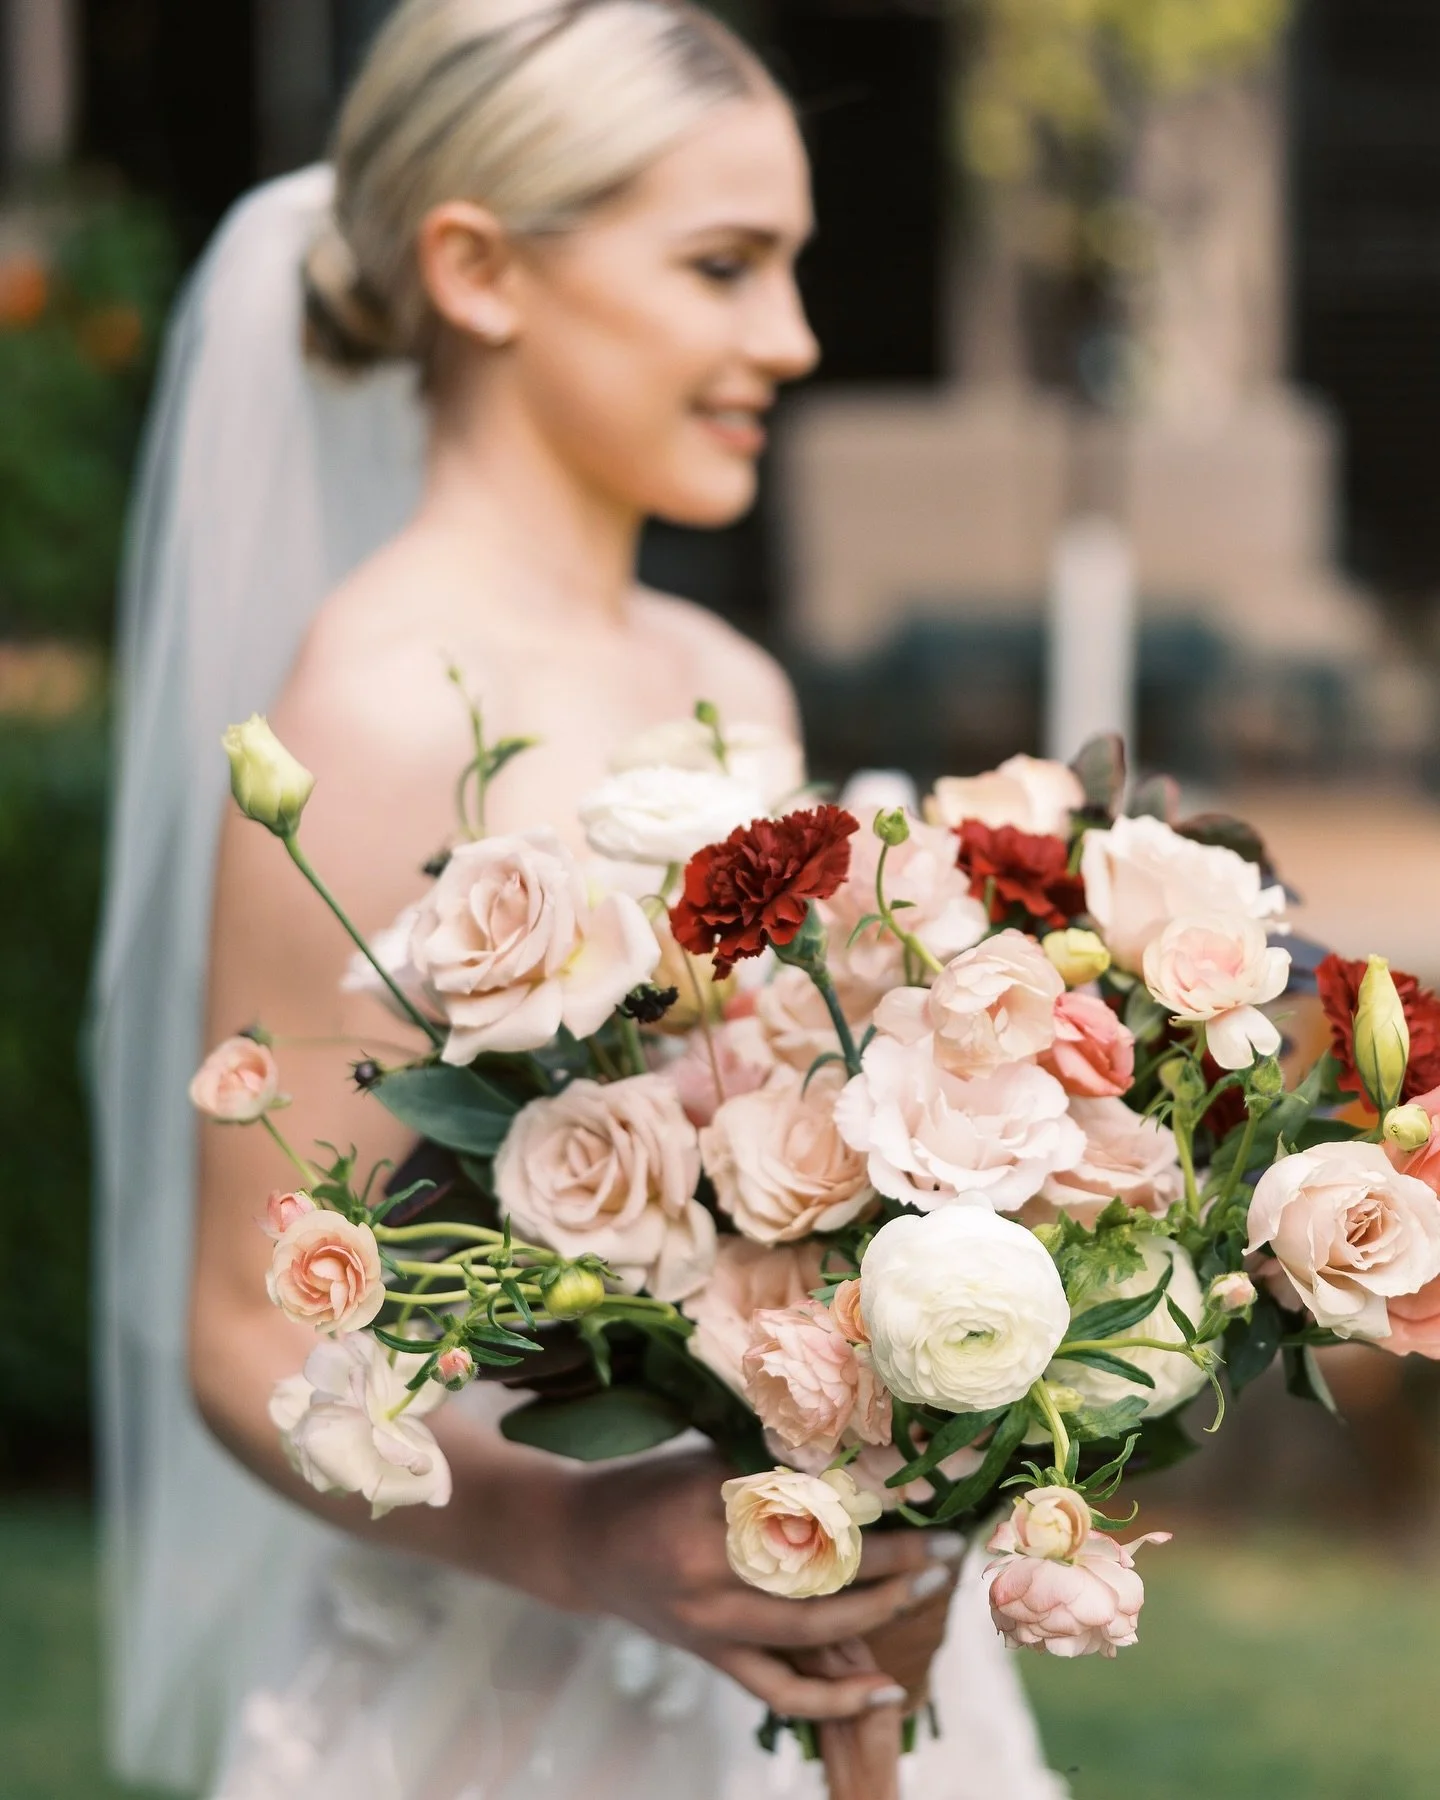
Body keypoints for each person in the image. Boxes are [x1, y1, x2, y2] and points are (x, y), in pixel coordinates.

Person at [91, 4, 1069, 1796]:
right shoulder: (374, 711)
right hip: (521, 1688)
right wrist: (583, 1544)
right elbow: (246, 1335)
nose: (789, 336)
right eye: (723, 265)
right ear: (479, 269)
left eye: (790, 267)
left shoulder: (724, 671)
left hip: (803, 1610)